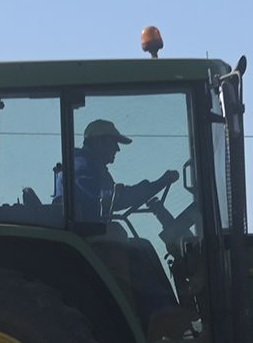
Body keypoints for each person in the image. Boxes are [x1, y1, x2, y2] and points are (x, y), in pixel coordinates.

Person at [57, 118, 183, 322]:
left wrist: (153, 187)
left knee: (143, 246)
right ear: (99, 142)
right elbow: (111, 198)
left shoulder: (91, 166)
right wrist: (156, 184)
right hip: (84, 235)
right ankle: (160, 316)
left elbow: (112, 198)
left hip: (90, 233)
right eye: (114, 143)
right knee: (135, 250)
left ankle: (165, 313)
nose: (117, 149)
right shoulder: (81, 165)